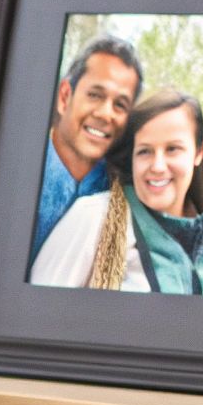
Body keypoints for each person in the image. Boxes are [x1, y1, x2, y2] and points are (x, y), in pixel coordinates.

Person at [30, 89, 203, 298]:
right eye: (144, 151)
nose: (158, 166)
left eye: (172, 149)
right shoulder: (95, 219)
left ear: (199, 150)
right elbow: (34, 310)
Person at [31, 35, 144, 259]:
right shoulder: (17, 174)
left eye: (120, 105)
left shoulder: (125, 196)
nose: (105, 114)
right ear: (65, 97)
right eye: (94, 95)